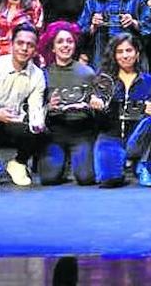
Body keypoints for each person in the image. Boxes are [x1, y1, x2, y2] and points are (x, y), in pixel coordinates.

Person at [0, 23, 46, 192]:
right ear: (12, 44)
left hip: (14, 118)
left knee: (42, 130)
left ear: (35, 49)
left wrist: (37, 122)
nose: (24, 48)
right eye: (20, 43)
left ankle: (18, 163)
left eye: (30, 45)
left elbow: (35, 107)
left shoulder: (38, 75)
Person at [37, 22, 101, 186]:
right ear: (52, 47)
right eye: (60, 42)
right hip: (55, 133)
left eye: (69, 41)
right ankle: (62, 163)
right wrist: (48, 107)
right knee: (48, 179)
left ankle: (77, 159)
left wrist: (93, 104)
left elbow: (97, 105)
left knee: (86, 179)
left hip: (81, 133)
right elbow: (35, 109)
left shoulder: (87, 73)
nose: (65, 45)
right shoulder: (43, 74)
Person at [93, 33, 151, 188]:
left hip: (136, 137)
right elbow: (97, 122)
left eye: (129, 50)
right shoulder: (104, 80)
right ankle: (122, 162)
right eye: (120, 51)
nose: (125, 56)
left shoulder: (148, 80)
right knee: (109, 181)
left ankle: (141, 163)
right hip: (111, 136)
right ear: (114, 55)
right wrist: (97, 109)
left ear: (137, 53)